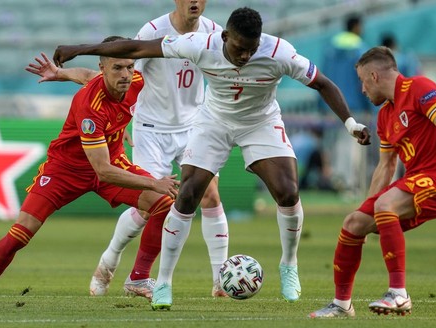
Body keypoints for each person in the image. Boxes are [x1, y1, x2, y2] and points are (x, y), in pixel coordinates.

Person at [53, 7, 371, 310]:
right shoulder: (198, 43)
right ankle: (156, 279)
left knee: (286, 190)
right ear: (225, 39)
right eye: (239, 49)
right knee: (177, 196)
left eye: (251, 49)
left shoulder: (278, 52)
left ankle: (282, 266)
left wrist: (350, 123)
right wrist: (80, 48)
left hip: (257, 122)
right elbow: (134, 50)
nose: (245, 56)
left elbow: (323, 83)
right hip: (204, 122)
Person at [26, 0, 230, 299]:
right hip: (152, 130)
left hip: (192, 126)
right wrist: (79, 56)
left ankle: (220, 280)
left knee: (210, 193)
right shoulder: (152, 30)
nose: (194, 1)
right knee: (150, 205)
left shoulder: (215, 32)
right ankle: (109, 260)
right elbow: (114, 72)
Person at [0, 36, 180, 303]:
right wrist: (153, 182)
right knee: (23, 231)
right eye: (117, 68)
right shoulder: (90, 106)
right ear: (104, 69)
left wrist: (61, 73)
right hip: (67, 170)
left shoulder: (134, 83)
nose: (126, 74)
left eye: (129, 67)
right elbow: (103, 171)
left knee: (162, 203)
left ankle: (138, 277)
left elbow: (86, 74)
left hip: (111, 160)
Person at [309, 46, 436, 318]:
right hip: (415, 182)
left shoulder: (420, 87)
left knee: (385, 204)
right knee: (353, 223)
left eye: (362, 81)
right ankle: (341, 304)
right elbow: (386, 166)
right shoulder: (385, 115)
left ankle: (398, 294)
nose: (362, 89)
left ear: (373, 76)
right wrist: (368, 207)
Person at [321, 14, 374, 194]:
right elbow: (363, 80)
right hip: (353, 106)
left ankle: (336, 177)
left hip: (331, 104)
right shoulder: (360, 49)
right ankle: (348, 183)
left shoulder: (330, 48)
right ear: (357, 27)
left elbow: (322, 79)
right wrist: (368, 104)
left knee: (333, 143)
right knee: (351, 144)